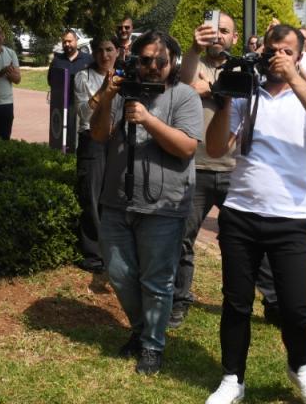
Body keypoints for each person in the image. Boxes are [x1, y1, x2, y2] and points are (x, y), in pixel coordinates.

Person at [203, 25, 306, 404]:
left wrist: (295, 78)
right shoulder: (250, 94)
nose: (277, 56)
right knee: (236, 303)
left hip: (292, 216)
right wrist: (229, 97)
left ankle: (300, 367)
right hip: (241, 212)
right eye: (272, 50)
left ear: (300, 55)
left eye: (286, 51)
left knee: (297, 307)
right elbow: (215, 149)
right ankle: (233, 378)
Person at [89, 31, 202, 376]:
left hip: (163, 206)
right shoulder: (124, 92)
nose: (153, 67)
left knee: (156, 280)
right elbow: (97, 134)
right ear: (136, 61)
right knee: (120, 273)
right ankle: (140, 331)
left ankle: (152, 345)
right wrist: (108, 99)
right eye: (146, 60)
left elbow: (187, 147)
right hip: (117, 202)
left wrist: (149, 121)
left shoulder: (185, 97)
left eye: (160, 61)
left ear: (173, 63)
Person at [171, 11, 241, 329]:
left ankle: (265, 301)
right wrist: (194, 49)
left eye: (224, 32)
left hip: (233, 169)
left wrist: (209, 89)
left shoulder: (241, 68)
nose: (218, 37)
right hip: (195, 167)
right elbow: (183, 86)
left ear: (234, 38)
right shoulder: (192, 60)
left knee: (241, 243)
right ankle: (179, 301)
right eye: (213, 31)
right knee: (183, 239)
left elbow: (239, 98)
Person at [72, 37, 120, 272]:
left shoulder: (125, 77)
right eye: (99, 50)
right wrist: (103, 91)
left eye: (109, 49)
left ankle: (114, 252)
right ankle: (94, 256)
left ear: (117, 51)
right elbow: (83, 112)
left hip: (117, 141)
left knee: (113, 198)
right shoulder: (83, 77)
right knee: (90, 196)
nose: (105, 55)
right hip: (92, 141)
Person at [48, 29, 94, 151]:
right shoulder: (57, 60)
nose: (67, 44)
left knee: (79, 135)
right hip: (61, 105)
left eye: (70, 41)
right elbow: (50, 80)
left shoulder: (88, 60)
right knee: (61, 136)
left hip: (81, 105)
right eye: (64, 42)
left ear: (76, 41)